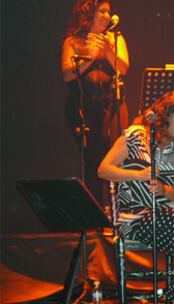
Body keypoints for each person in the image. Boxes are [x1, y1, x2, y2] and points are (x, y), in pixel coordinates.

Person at [98, 90, 174, 304]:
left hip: (169, 217)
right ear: (165, 116)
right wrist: (138, 174)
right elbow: (103, 170)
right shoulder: (135, 135)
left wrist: (164, 190)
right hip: (136, 218)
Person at [61, 0, 129, 204]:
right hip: (84, 108)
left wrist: (107, 49)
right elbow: (66, 74)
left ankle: (118, 210)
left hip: (113, 105)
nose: (107, 16)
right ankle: (96, 213)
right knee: (91, 158)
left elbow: (123, 68)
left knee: (117, 155)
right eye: (102, 11)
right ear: (89, 14)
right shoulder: (73, 41)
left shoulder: (115, 38)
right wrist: (91, 54)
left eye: (109, 12)